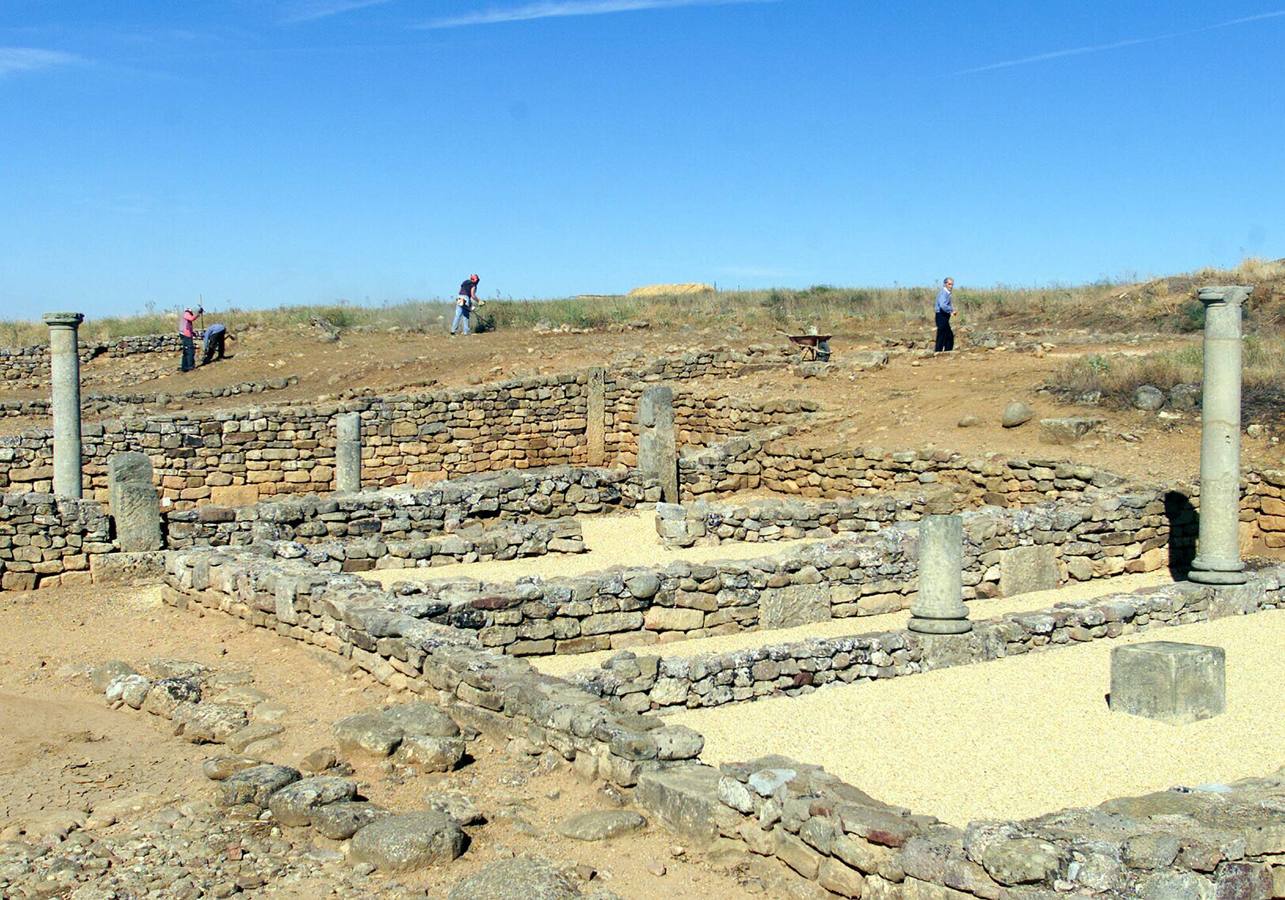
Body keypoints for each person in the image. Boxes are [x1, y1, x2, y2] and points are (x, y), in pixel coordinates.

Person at [933, 277, 955, 353]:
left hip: (943, 316)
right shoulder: (943, 293)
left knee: (947, 335)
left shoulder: (947, 293)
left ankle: (945, 351)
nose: (951, 286)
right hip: (941, 315)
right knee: (943, 334)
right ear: (945, 284)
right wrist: (951, 310)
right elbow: (942, 305)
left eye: (952, 284)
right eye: (949, 284)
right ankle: (939, 352)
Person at [178, 305, 203, 371]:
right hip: (186, 336)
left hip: (186, 334)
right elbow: (192, 318)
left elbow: (188, 326)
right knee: (190, 351)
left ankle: (184, 367)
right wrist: (198, 313)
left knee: (186, 351)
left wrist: (193, 333)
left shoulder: (185, 316)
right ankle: (190, 366)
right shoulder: (186, 314)